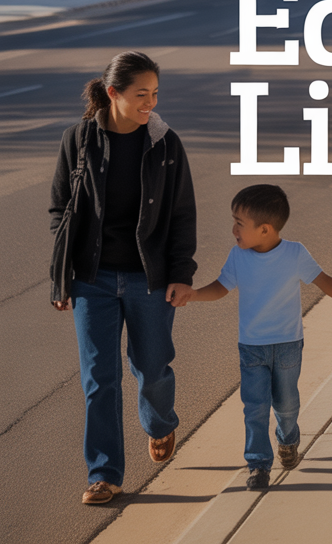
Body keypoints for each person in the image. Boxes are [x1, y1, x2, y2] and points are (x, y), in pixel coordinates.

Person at [49, 51, 196, 506]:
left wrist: (181, 274)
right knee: (100, 378)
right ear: (113, 94)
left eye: (154, 94)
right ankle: (105, 473)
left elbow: (181, 216)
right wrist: (62, 277)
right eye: (140, 95)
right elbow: (61, 209)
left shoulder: (166, 145)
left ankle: (159, 422)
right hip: (91, 278)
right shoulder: (79, 139)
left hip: (148, 278)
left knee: (151, 365)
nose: (149, 102)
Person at [177, 185, 332, 491]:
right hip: (251, 347)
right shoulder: (238, 257)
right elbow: (221, 287)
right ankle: (258, 464)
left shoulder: (295, 253)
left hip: (287, 346)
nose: (233, 230)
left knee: (286, 404)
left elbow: (324, 281)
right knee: (254, 407)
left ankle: (288, 438)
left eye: (239, 223)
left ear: (265, 230)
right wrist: (194, 295)